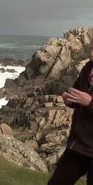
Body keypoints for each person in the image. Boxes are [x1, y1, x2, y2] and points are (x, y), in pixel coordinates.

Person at [48, 39, 93, 185]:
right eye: (91, 48)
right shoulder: (88, 68)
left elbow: (87, 101)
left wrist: (90, 102)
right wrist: (69, 99)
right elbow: (76, 93)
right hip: (78, 145)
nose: (91, 53)